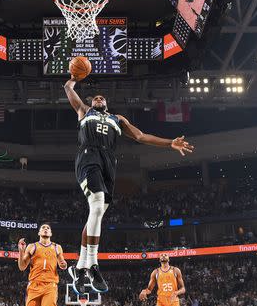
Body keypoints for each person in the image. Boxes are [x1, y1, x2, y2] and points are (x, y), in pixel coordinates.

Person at [63, 79, 194, 294]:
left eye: (101, 97)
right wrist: (73, 79)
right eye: (95, 97)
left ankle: (79, 269)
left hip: (109, 164)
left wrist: (169, 142)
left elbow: (141, 136)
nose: (98, 98)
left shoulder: (118, 119)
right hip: (89, 156)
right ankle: (93, 266)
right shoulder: (84, 111)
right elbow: (69, 90)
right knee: (96, 208)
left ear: (106, 103)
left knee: (95, 215)